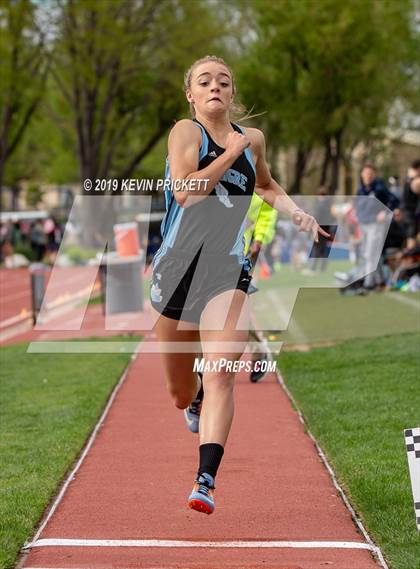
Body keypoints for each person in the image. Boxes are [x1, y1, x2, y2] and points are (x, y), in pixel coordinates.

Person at [150, 55, 328, 515]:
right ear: (191, 94)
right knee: (180, 394)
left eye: (223, 82)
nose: (215, 88)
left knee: (222, 369)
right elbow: (187, 193)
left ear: (232, 93)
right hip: (176, 271)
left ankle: (204, 481)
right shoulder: (184, 134)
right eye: (205, 82)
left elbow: (266, 185)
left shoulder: (255, 140)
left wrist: (295, 212)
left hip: (226, 272)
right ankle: (196, 398)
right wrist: (229, 150)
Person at [243, 192, 278, 382]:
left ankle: (258, 353)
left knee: (234, 310)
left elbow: (267, 210)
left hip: (241, 253)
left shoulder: (252, 173)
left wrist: (259, 238)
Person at [356, 163, 399, 290]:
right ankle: (380, 281)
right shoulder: (360, 189)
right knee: (371, 254)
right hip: (364, 224)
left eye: (370, 173)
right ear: (362, 174)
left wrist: (385, 212)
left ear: (374, 175)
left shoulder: (379, 187)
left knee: (370, 253)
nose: (368, 176)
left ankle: (368, 283)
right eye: (366, 173)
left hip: (376, 225)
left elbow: (394, 200)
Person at [401, 160, 420, 249]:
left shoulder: (407, 178)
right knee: (411, 240)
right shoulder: (415, 180)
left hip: (407, 213)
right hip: (411, 214)